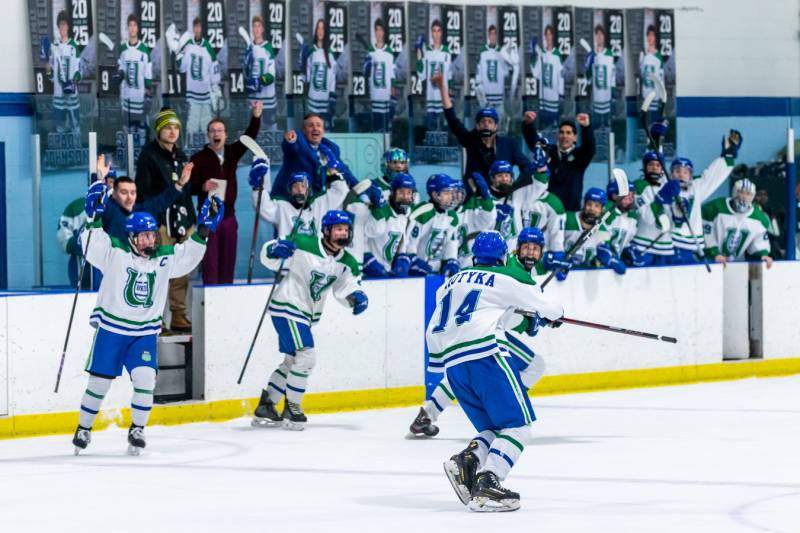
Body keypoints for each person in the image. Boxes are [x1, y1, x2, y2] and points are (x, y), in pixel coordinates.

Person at [71, 170, 223, 456]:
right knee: (99, 383)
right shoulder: (115, 252)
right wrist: (91, 216)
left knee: (145, 380)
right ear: (131, 238)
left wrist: (203, 229)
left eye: (152, 235)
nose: (149, 241)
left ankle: (137, 429)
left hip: (143, 333)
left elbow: (188, 256)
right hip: (112, 330)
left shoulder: (164, 258)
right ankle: (83, 428)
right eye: (142, 237)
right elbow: (91, 244)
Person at [429, 231, 563, 512]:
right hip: (487, 357)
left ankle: (467, 461)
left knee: (494, 427)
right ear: (504, 257)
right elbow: (549, 307)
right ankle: (489, 483)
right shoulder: (504, 278)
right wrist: (552, 315)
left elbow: (481, 311)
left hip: (453, 364)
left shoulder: (450, 283)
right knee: (518, 426)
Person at [409, 227, 569, 438]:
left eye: (536, 249)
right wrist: (529, 322)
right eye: (526, 248)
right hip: (487, 332)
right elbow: (507, 312)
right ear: (514, 250)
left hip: (463, 333)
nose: (531, 253)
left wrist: (535, 319)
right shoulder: (509, 271)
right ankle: (504, 403)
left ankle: (428, 413)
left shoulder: (502, 270)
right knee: (534, 366)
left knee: (466, 364)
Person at [252, 210, 368, 429]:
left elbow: (346, 286)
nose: (343, 233)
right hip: (288, 306)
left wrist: (356, 297)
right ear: (326, 231)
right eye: (338, 229)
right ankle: (292, 408)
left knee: (292, 362)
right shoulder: (303, 242)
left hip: (304, 315)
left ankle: (266, 406)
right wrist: (274, 250)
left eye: (345, 229)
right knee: (307, 357)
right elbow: (271, 255)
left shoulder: (347, 261)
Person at [135, 108, 196, 332]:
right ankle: (156, 318)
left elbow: (187, 191)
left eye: (176, 127)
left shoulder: (181, 156)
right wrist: (153, 223)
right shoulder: (148, 156)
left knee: (182, 270)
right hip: (161, 222)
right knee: (158, 270)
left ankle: (179, 314)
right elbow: (143, 193)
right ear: (159, 130)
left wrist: (191, 219)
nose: (172, 131)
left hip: (183, 221)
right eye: (168, 127)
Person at [189, 102, 263, 285]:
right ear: (208, 135)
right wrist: (202, 187)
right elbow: (188, 186)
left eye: (220, 130)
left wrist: (256, 116)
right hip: (208, 215)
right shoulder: (198, 158)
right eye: (213, 131)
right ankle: (212, 301)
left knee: (228, 260)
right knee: (211, 263)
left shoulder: (232, 152)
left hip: (229, 214)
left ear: (226, 135)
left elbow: (249, 137)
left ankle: (226, 300)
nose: (216, 134)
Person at [434, 72, 531, 189]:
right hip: (475, 199)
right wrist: (442, 88)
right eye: (483, 121)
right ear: (477, 125)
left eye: (490, 122)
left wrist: (516, 188)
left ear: (496, 126)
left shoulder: (509, 145)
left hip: (502, 196)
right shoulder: (470, 140)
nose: (486, 124)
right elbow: (452, 119)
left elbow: (527, 168)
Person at [664, 131, 741, 264]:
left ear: (691, 175)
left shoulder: (696, 188)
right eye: (677, 171)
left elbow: (711, 176)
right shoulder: (665, 188)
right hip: (667, 244)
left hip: (689, 246)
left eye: (685, 172)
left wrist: (727, 156)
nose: (681, 175)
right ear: (671, 174)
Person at [250, 160, 349, 239]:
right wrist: (258, 187)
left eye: (303, 186)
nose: (299, 190)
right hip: (290, 261)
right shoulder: (281, 207)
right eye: (295, 186)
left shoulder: (319, 204)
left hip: (317, 262)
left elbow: (340, 191)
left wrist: (333, 173)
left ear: (309, 190)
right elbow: (263, 206)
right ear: (290, 190)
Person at [522, 111, 596, 212]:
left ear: (575, 137)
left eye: (568, 133)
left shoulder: (580, 156)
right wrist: (528, 124)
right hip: (546, 210)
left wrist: (586, 127)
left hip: (570, 211)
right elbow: (534, 142)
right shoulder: (549, 151)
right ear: (557, 135)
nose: (564, 136)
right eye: (561, 132)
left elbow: (590, 148)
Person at [272, 113, 358, 196]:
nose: (315, 128)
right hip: (287, 200)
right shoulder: (299, 144)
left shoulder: (330, 150)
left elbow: (345, 172)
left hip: (314, 202)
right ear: (304, 131)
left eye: (318, 125)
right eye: (310, 125)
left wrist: (361, 191)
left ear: (323, 130)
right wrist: (291, 141)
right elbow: (291, 147)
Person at [702, 179, 773, 269]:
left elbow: (759, 240)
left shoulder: (759, 219)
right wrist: (714, 253)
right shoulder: (714, 208)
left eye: (748, 194)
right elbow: (707, 234)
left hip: (737, 265)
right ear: (734, 192)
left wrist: (763, 254)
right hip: (709, 262)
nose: (744, 197)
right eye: (741, 192)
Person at [481, 157, 549, 248]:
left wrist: (541, 169)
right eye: (500, 176)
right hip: (492, 251)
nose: (504, 179)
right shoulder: (485, 200)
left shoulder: (518, 194)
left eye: (507, 175)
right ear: (492, 178)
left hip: (515, 251)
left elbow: (540, 185)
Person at [361, 173, 417, 278]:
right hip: (368, 274)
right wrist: (367, 259)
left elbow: (402, 243)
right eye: (401, 192)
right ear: (392, 193)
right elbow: (366, 234)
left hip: (388, 273)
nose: (405, 197)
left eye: (408, 193)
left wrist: (402, 259)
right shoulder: (382, 211)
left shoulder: (409, 215)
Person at [405, 174, 461, 277]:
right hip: (416, 274)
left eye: (452, 193)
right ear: (435, 195)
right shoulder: (423, 212)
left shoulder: (453, 216)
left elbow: (450, 244)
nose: (451, 197)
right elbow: (409, 243)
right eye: (446, 193)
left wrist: (451, 260)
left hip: (438, 274)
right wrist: (414, 260)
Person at [564, 187, 626, 274]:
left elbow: (600, 258)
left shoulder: (603, 232)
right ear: (584, 204)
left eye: (597, 206)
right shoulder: (567, 219)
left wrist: (610, 259)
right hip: (560, 271)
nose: (592, 209)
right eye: (589, 204)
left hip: (581, 275)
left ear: (602, 209)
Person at [177, 17, 221, 138]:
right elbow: (182, 68)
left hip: (206, 96)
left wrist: (215, 89)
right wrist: (178, 55)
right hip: (192, 94)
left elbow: (214, 75)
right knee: (192, 126)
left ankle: (209, 154)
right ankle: (189, 154)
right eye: (195, 26)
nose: (197, 29)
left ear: (203, 29)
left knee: (207, 126)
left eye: (199, 26)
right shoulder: (188, 45)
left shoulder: (208, 48)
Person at [43, 10, 82, 133]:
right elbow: (51, 75)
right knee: (59, 129)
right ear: (58, 27)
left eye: (64, 24)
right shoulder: (54, 46)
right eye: (60, 24)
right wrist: (47, 68)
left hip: (72, 96)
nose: (62, 27)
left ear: (68, 26)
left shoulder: (74, 46)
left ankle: (76, 150)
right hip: (58, 95)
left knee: (75, 128)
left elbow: (79, 70)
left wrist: (73, 82)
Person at [115, 13, 152, 132]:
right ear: (127, 28)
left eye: (134, 25)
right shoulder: (122, 49)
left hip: (139, 96)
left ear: (138, 28)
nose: (132, 28)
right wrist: (120, 73)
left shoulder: (144, 49)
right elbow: (121, 66)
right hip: (127, 95)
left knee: (141, 130)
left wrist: (148, 88)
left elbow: (147, 71)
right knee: (127, 129)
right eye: (130, 25)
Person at [415, 19, 451, 131]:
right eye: (434, 31)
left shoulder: (446, 51)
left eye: (438, 31)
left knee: (443, 132)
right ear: (431, 33)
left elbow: (449, 75)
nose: (436, 34)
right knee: (431, 133)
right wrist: (419, 53)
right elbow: (422, 75)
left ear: (441, 33)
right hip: (430, 98)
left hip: (442, 98)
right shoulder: (427, 51)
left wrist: (448, 94)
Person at [301, 19, 337, 128]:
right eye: (318, 28)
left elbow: (332, 78)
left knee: (326, 132)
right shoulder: (311, 51)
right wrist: (303, 59)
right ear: (316, 31)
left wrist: (332, 97)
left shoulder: (330, 53)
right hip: (313, 99)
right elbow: (306, 77)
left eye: (323, 29)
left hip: (325, 100)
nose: (320, 31)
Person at [243, 16, 278, 129]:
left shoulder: (268, 48)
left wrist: (259, 81)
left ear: (262, 29)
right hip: (253, 98)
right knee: (253, 128)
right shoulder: (249, 48)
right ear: (252, 29)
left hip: (267, 98)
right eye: (254, 26)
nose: (257, 29)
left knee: (270, 128)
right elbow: (246, 73)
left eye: (259, 26)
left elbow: (272, 75)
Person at [364, 18, 397, 132]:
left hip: (386, 93)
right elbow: (366, 73)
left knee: (387, 125)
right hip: (375, 93)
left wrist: (393, 87)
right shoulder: (370, 50)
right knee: (376, 125)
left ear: (384, 32)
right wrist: (367, 65)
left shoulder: (389, 51)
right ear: (374, 32)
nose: (379, 33)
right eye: (377, 30)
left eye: (381, 30)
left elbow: (392, 72)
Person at [475, 25, 512, 121]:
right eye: (491, 34)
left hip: (499, 97)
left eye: (494, 34)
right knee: (486, 125)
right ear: (488, 36)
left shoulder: (502, 52)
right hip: (486, 98)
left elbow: (507, 72)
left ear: (497, 36)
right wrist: (481, 93)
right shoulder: (482, 52)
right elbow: (478, 75)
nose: (492, 36)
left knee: (499, 126)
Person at [530, 25, 564, 128]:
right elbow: (536, 74)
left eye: (550, 34)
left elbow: (560, 76)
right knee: (543, 129)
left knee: (553, 128)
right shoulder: (542, 54)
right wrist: (533, 57)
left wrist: (561, 94)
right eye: (547, 34)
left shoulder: (557, 55)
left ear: (553, 36)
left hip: (554, 99)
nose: (548, 37)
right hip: (543, 100)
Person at [604, 176, 641, 266]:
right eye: (627, 194)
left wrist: (629, 249)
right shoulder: (608, 211)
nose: (630, 198)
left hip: (615, 264)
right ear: (614, 195)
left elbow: (624, 242)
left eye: (632, 195)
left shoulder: (631, 218)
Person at [584, 25, 616, 127]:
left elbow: (612, 75)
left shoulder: (609, 54)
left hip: (607, 94)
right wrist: (588, 64)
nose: (599, 37)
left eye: (601, 35)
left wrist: (613, 92)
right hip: (595, 94)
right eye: (597, 35)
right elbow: (588, 76)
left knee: (606, 124)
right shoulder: (592, 54)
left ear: (604, 37)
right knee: (596, 123)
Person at [640, 25, 665, 117]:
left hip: (655, 96)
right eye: (649, 35)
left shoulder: (659, 57)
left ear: (655, 38)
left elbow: (661, 79)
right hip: (645, 95)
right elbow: (641, 74)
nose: (650, 37)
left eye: (653, 35)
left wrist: (662, 97)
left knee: (654, 121)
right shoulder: (643, 54)